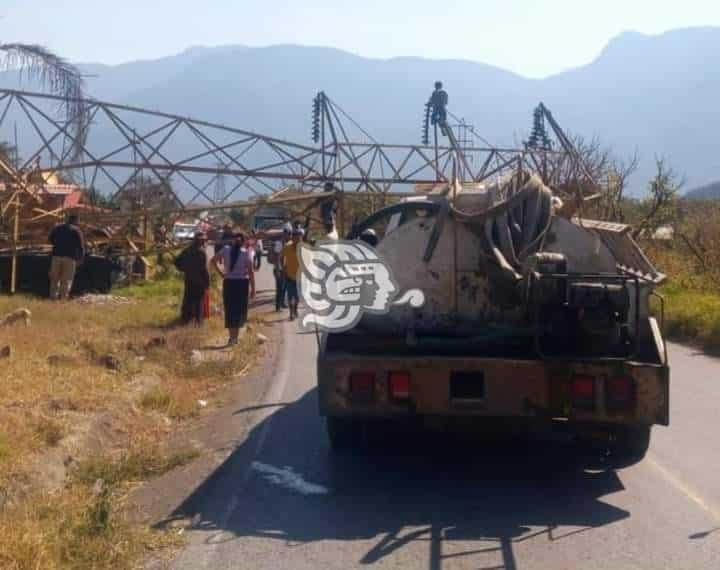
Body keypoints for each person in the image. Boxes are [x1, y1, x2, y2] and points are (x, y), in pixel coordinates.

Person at [212, 232, 256, 345]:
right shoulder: (247, 253)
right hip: (242, 284)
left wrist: (222, 274)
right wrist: (253, 289)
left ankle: (231, 338)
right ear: (243, 242)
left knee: (230, 309)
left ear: (232, 241)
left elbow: (212, 261)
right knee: (239, 310)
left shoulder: (226, 249)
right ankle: (235, 338)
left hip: (229, 283)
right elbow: (251, 272)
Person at [174, 232, 210, 325]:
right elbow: (204, 269)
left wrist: (184, 269)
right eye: (202, 240)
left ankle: (186, 318)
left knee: (188, 299)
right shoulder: (201, 252)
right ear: (200, 241)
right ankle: (198, 320)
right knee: (198, 301)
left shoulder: (187, 250)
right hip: (199, 280)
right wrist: (207, 281)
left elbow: (176, 262)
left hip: (189, 278)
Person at [48, 213, 85, 300]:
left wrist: (58, 245)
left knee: (54, 279)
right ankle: (63, 298)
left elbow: (50, 239)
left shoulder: (57, 228)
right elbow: (81, 247)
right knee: (66, 280)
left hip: (56, 256)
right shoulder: (76, 230)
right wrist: (81, 258)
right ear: (76, 220)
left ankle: (53, 297)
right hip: (70, 258)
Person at [282, 227, 304, 321]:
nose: (298, 239)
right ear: (293, 238)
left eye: (299, 237)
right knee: (290, 296)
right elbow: (281, 257)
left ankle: (295, 308)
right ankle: (291, 313)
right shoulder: (287, 246)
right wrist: (282, 268)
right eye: (296, 237)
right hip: (289, 276)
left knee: (297, 297)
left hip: (300, 277)